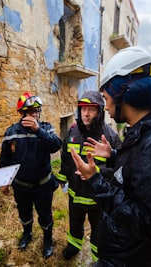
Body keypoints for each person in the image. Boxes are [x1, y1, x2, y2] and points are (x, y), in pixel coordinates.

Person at [69, 46, 151, 267]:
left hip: (128, 260)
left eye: (105, 97)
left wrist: (95, 180)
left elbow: (146, 222)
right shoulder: (147, 133)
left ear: (124, 92)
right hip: (122, 253)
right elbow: (139, 173)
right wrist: (113, 155)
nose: (106, 106)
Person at [57, 90, 121, 262]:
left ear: (100, 111)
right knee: (75, 223)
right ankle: (74, 245)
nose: (86, 113)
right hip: (75, 194)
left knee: (99, 229)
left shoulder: (109, 137)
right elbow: (65, 157)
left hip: (98, 197)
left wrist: (97, 174)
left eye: (91, 109)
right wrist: (63, 178)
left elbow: (119, 169)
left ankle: (97, 255)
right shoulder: (72, 132)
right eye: (83, 108)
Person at [0, 92, 62, 259]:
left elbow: (56, 146)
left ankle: (47, 240)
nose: (34, 114)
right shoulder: (11, 132)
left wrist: (38, 130)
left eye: (36, 110)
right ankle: (27, 234)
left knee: (45, 215)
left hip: (43, 185)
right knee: (24, 213)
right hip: (21, 185)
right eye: (30, 111)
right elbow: (5, 158)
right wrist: (5, 181)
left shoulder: (46, 128)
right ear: (21, 113)